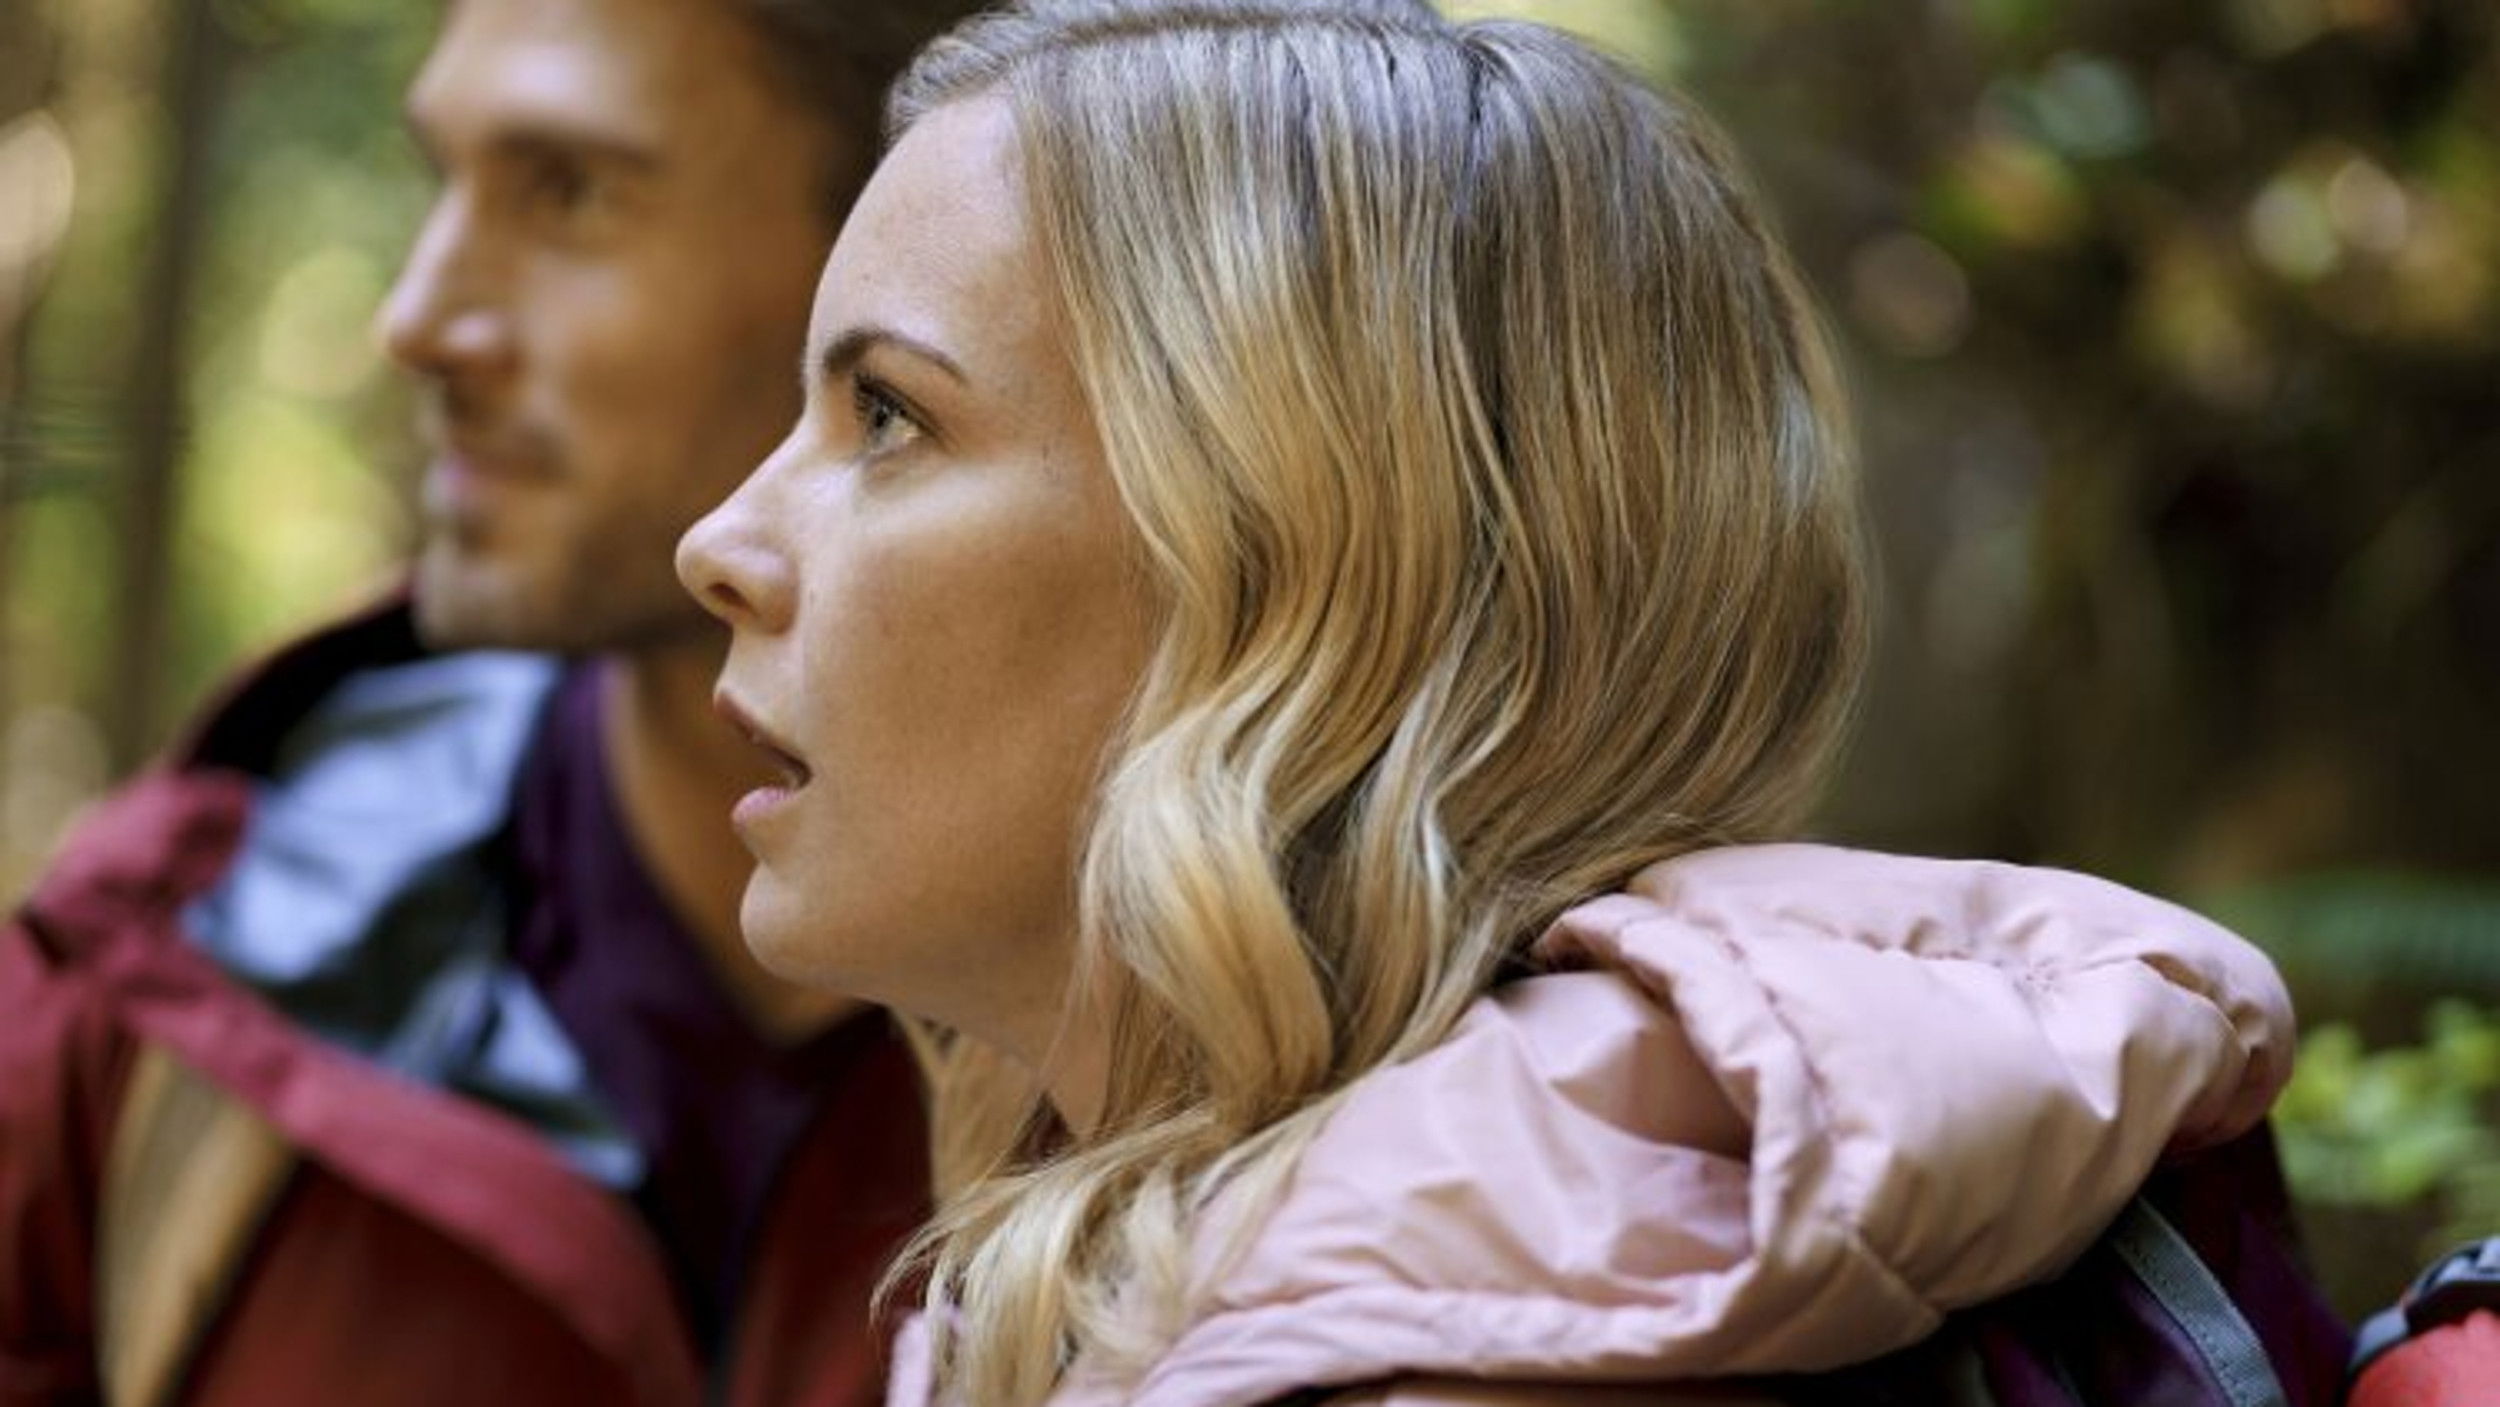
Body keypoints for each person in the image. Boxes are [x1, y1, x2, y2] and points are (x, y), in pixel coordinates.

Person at [675, 3, 2303, 1405]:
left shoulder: (1476, 1356)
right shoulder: (1304, 1280)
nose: (721, 546)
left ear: (1307, 556)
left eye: (888, 417)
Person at [0, 0, 986, 1403]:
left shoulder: (1248, 1085)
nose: (416, 322)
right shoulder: (165, 974)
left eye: (569, 193)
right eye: (443, 180)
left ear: (908, 244)